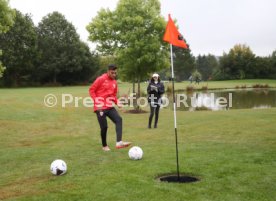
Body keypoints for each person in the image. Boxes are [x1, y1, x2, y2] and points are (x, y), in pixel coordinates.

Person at [89, 64, 131, 151]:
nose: (114, 75)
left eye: (115, 73)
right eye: (112, 73)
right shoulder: (101, 79)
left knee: (119, 119)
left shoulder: (114, 82)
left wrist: (117, 102)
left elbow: (113, 96)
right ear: (108, 71)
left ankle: (119, 142)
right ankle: (104, 146)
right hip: (100, 107)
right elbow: (91, 90)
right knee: (104, 127)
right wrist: (97, 102)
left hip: (109, 106)